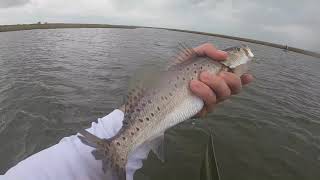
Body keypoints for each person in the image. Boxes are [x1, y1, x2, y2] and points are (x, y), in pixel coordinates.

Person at [1, 43, 253, 180]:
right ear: (229, 57)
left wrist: (169, 106)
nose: (246, 53)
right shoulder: (223, 67)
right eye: (241, 50)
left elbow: (67, 167)